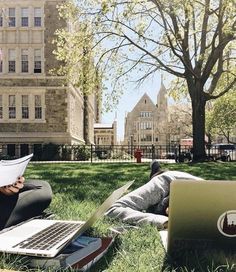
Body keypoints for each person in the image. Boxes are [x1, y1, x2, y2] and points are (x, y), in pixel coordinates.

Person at [106, 160, 203, 229]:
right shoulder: (164, 181)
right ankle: (156, 171)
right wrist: (162, 221)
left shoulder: (212, 193)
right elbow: (112, 210)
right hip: (167, 180)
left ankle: (156, 170)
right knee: (157, 184)